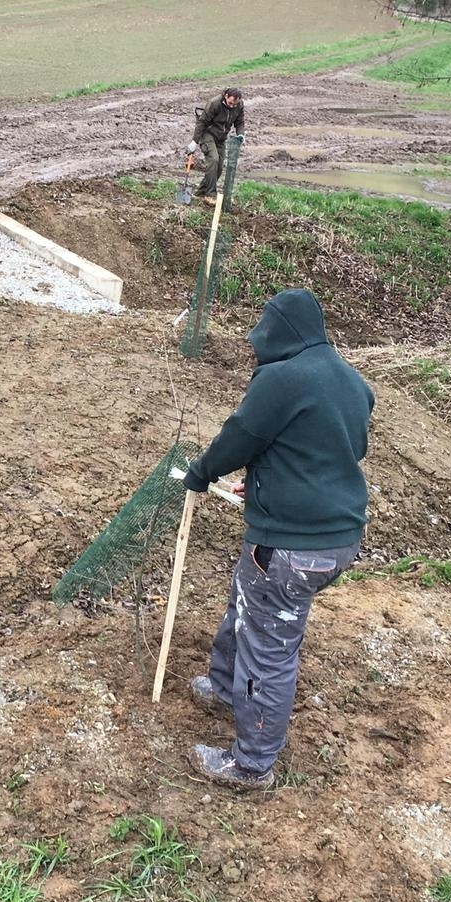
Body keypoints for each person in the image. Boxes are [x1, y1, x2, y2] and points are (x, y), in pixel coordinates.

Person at [179, 288, 373, 791]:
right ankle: (224, 686)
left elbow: (240, 435)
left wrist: (201, 474)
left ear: (280, 330)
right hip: (339, 537)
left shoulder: (282, 378)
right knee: (245, 603)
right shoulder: (351, 381)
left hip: (292, 547)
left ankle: (251, 763)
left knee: (268, 646)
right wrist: (271, 481)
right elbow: (337, 448)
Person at [187, 88, 245, 207]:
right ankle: (210, 195)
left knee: (218, 167)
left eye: (235, 104)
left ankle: (201, 192)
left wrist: (240, 134)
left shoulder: (239, 105)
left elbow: (239, 122)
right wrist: (194, 141)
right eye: (230, 103)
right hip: (208, 134)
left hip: (221, 137)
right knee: (213, 160)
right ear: (226, 96)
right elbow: (202, 122)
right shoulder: (214, 103)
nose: (233, 106)